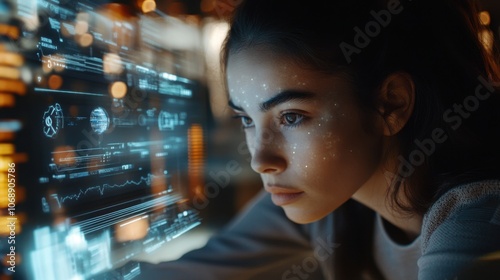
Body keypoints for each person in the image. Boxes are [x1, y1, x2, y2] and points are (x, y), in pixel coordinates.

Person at [140, 0, 500, 279]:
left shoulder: (479, 220)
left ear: (391, 104)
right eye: (246, 119)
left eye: (292, 117)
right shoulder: (334, 196)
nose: (260, 158)